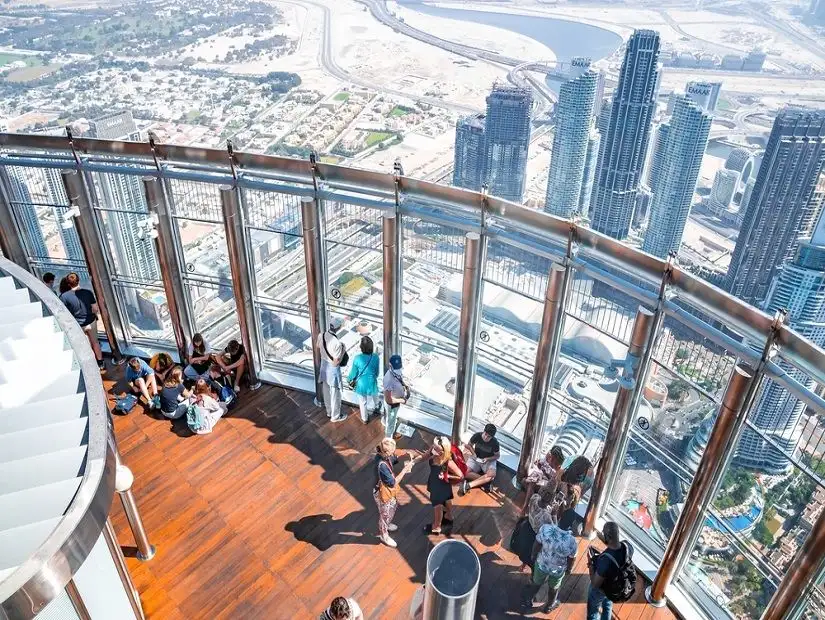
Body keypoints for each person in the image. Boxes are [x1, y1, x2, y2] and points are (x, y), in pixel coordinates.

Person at [521, 509, 579, 613]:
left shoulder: (546, 529)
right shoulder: (572, 542)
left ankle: (528, 600)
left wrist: (533, 556)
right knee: (554, 588)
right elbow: (571, 558)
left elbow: (537, 543)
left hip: (542, 563)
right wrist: (569, 569)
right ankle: (549, 606)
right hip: (557, 570)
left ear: (560, 517)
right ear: (572, 524)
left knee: (536, 583)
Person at [373, 437, 414, 548]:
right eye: (392, 452)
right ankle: (383, 534)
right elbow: (393, 483)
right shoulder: (382, 467)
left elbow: (393, 459)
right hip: (382, 493)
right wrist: (405, 469)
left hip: (382, 490)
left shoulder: (381, 455)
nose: (393, 454)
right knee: (384, 514)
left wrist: (404, 453)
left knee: (391, 507)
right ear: (386, 452)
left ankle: (387, 523)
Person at [587, 522, 632, 620]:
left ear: (608, 536)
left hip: (602, 590)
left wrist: (590, 563)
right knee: (607, 606)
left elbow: (595, 584)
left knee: (593, 611)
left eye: (604, 533)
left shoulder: (605, 561)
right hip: (615, 587)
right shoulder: (628, 546)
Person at [59, 272, 104, 369]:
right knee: (95, 342)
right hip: (91, 321)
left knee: (86, 346)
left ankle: (92, 365)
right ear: (78, 281)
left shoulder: (64, 297)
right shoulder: (88, 292)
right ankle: (100, 362)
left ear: (68, 284)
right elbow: (95, 309)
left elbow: (63, 313)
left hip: (78, 324)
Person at [512, 481, 560, 570]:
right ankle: (532, 573)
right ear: (552, 499)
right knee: (532, 557)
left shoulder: (534, 497)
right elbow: (554, 530)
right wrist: (554, 514)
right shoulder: (546, 516)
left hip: (527, 527)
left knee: (523, 549)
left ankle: (523, 565)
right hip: (535, 536)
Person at [424, 436, 462, 535]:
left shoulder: (448, 462)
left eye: (436, 449)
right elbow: (426, 455)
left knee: (438, 506)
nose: (433, 450)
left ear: (443, 452)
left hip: (439, 486)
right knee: (447, 499)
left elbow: (460, 476)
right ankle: (449, 516)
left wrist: (447, 475)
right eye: (434, 446)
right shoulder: (434, 450)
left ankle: (436, 527)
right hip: (439, 482)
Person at [521, 445, 566, 514]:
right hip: (545, 484)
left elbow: (554, 486)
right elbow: (549, 478)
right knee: (525, 481)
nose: (549, 459)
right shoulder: (552, 461)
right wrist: (542, 469)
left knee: (530, 483)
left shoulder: (560, 471)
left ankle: (526, 507)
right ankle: (532, 506)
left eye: (551, 458)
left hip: (549, 493)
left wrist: (544, 473)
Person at [459, 423, 500, 495]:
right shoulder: (477, 436)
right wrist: (473, 453)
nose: (486, 437)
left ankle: (469, 485)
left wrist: (487, 459)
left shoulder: (495, 443)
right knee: (464, 472)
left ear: (492, 437)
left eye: (489, 436)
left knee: (491, 474)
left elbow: (497, 456)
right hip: (476, 457)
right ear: (484, 431)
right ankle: (485, 482)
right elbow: (469, 445)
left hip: (488, 461)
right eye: (485, 434)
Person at [348, 336, 380, 424]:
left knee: (363, 402)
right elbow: (377, 372)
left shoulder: (357, 358)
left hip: (360, 384)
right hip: (371, 381)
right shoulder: (376, 357)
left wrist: (349, 379)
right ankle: (377, 405)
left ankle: (365, 419)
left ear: (361, 347)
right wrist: (374, 377)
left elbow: (353, 373)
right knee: (375, 392)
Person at [317, 324, 345, 422]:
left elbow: (317, 346)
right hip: (332, 371)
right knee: (335, 394)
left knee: (326, 390)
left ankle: (329, 411)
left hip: (323, 366)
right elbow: (336, 362)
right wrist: (343, 350)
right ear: (339, 327)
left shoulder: (321, 335)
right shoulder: (337, 343)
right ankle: (335, 416)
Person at [382, 354, 409, 438]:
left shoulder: (396, 373)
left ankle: (392, 424)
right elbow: (388, 400)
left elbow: (399, 379)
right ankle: (388, 440)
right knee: (390, 424)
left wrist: (405, 386)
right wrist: (402, 400)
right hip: (392, 405)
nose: (398, 370)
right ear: (390, 365)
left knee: (391, 419)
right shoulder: (388, 379)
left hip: (396, 403)